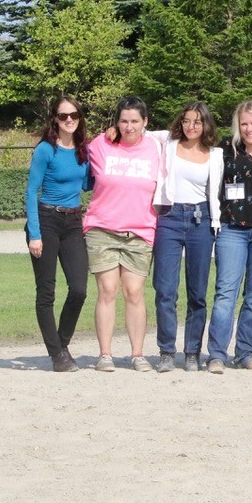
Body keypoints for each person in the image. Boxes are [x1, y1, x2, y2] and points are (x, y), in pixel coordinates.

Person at [85, 96, 164, 372]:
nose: (129, 127)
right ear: (116, 122)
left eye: (134, 121)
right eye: (123, 121)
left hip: (140, 230)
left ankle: (137, 354)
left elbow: (176, 133)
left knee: (134, 292)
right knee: (107, 290)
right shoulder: (100, 144)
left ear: (145, 122)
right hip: (102, 228)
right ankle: (105, 354)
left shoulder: (156, 147)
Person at [148, 102, 223, 373]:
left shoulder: (215, 154)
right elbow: (139, 132)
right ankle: (166, 351)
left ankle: (192, 351)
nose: (191, 126)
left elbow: (215, 192)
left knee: (197, 293)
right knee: (165, 290)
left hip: (200, 220)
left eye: (197, 122)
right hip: (169, 217)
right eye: (187, 121)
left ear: (206, 125)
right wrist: (113, 130)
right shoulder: (167, 142)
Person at [206, 100, 252, 373]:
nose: (249, 129)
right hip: (232, 230)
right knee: (226, 293)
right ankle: (216, 354)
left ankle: (246, 352)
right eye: (244, 123)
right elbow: (178, 140)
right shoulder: (224, 150)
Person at [24, 96, 91, 373]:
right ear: (54, 118)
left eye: (73, 115)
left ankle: (61, 344)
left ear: (79, 117)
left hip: (74, 221)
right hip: (47, 220)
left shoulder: (82, 150)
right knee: (46, 292)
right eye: (63, 116)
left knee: (79, 290)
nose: (69, 120)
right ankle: (57, 355)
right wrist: (35, 234)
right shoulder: (45, 150)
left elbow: (87, 183)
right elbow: (31, 191)